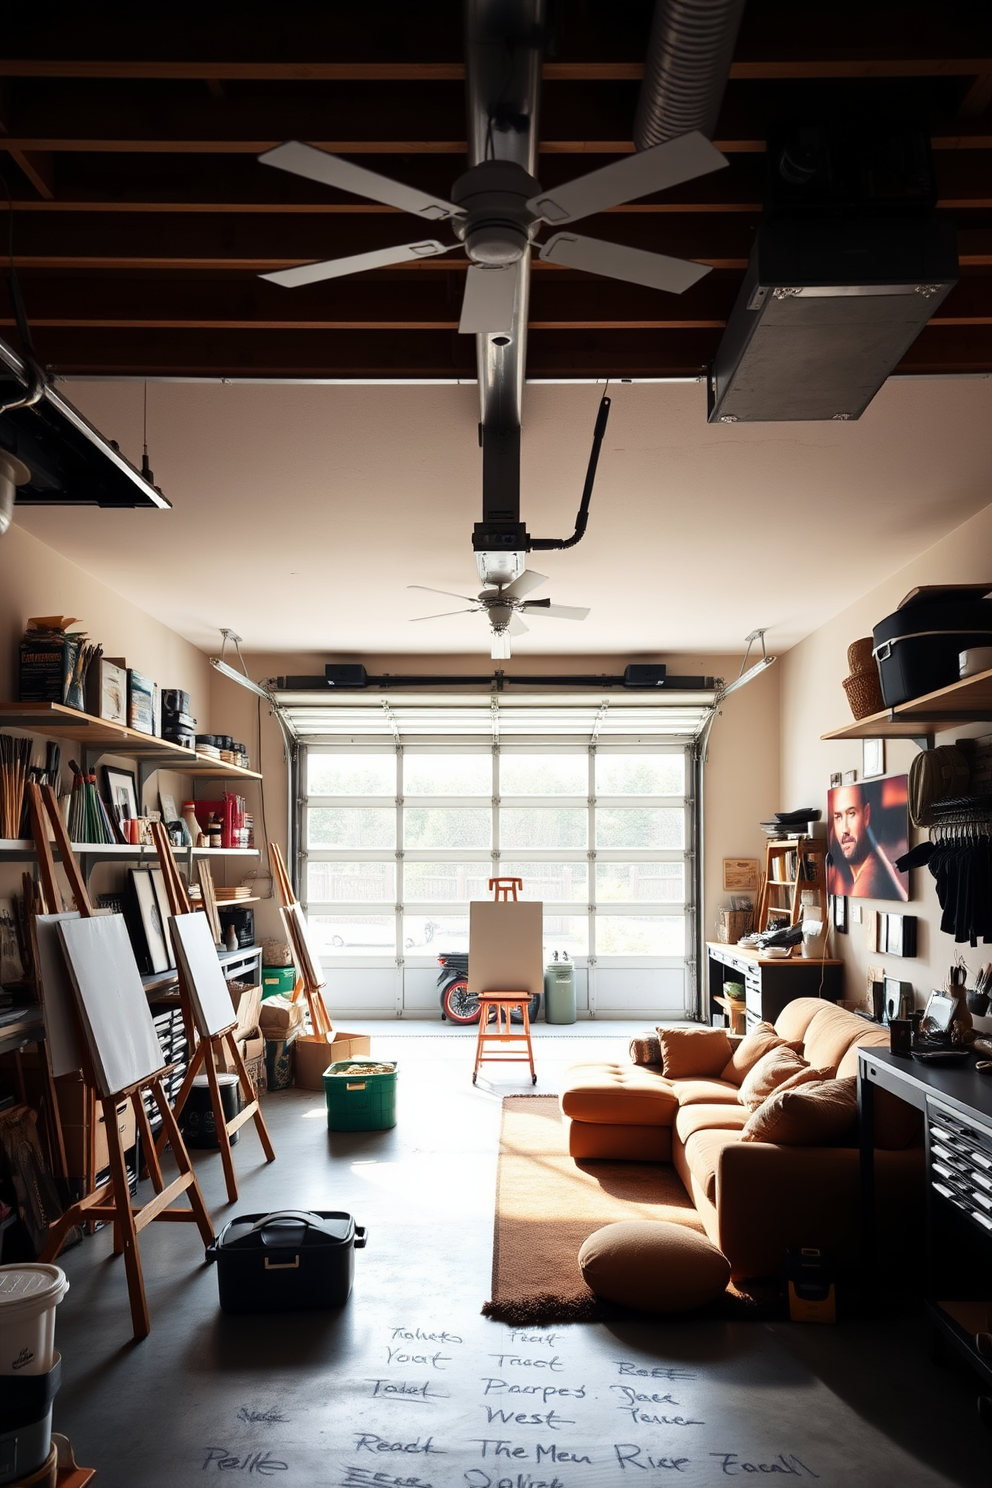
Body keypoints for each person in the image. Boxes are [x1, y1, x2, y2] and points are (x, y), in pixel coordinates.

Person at [828, 784, 908, 900]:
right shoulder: (870, 865)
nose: (844, 829)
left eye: (851, 814)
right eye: (838, 817)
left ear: (866, 815)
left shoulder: (870, 878)